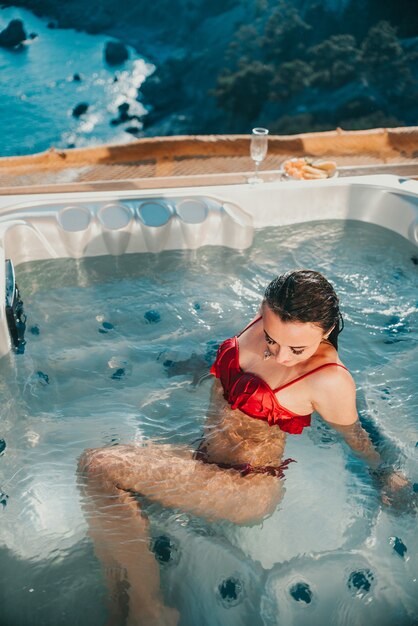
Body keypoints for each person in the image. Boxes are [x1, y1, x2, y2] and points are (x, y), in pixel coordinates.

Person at [78, 269, 410, 626]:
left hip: (246, 484)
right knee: (95, 474)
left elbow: (355, 434)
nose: (280, 356)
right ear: (264, 310)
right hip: (201, 455)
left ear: (326, 332)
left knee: (100, 466)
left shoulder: (329, 380)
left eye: (297, 349)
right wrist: (197, 366)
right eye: (271, 339)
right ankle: (120, 606)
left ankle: (151, 611)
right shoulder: (267, 320)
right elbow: (229, 366)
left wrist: (385, 472)